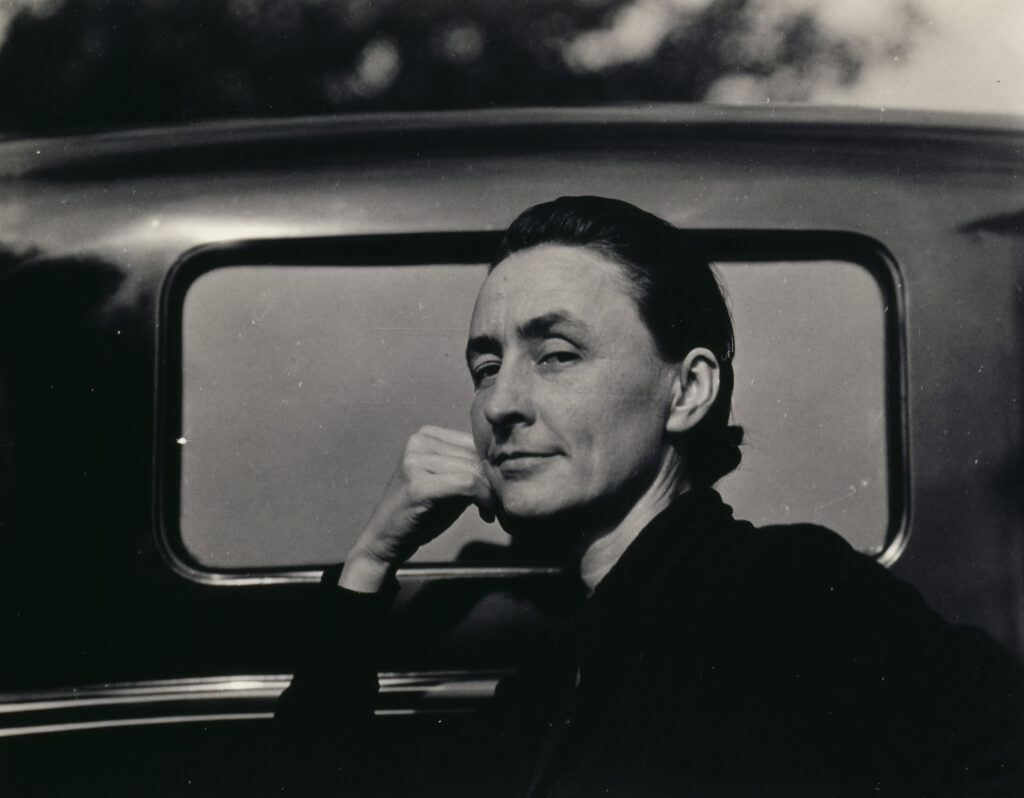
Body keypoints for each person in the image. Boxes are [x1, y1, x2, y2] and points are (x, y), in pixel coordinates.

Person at [276, 196, 1024, 796]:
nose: (501, 402)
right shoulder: (559, 668)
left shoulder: (792, 590)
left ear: (688, 390)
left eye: (557, 355)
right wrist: (371, 560)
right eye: (484, 366)